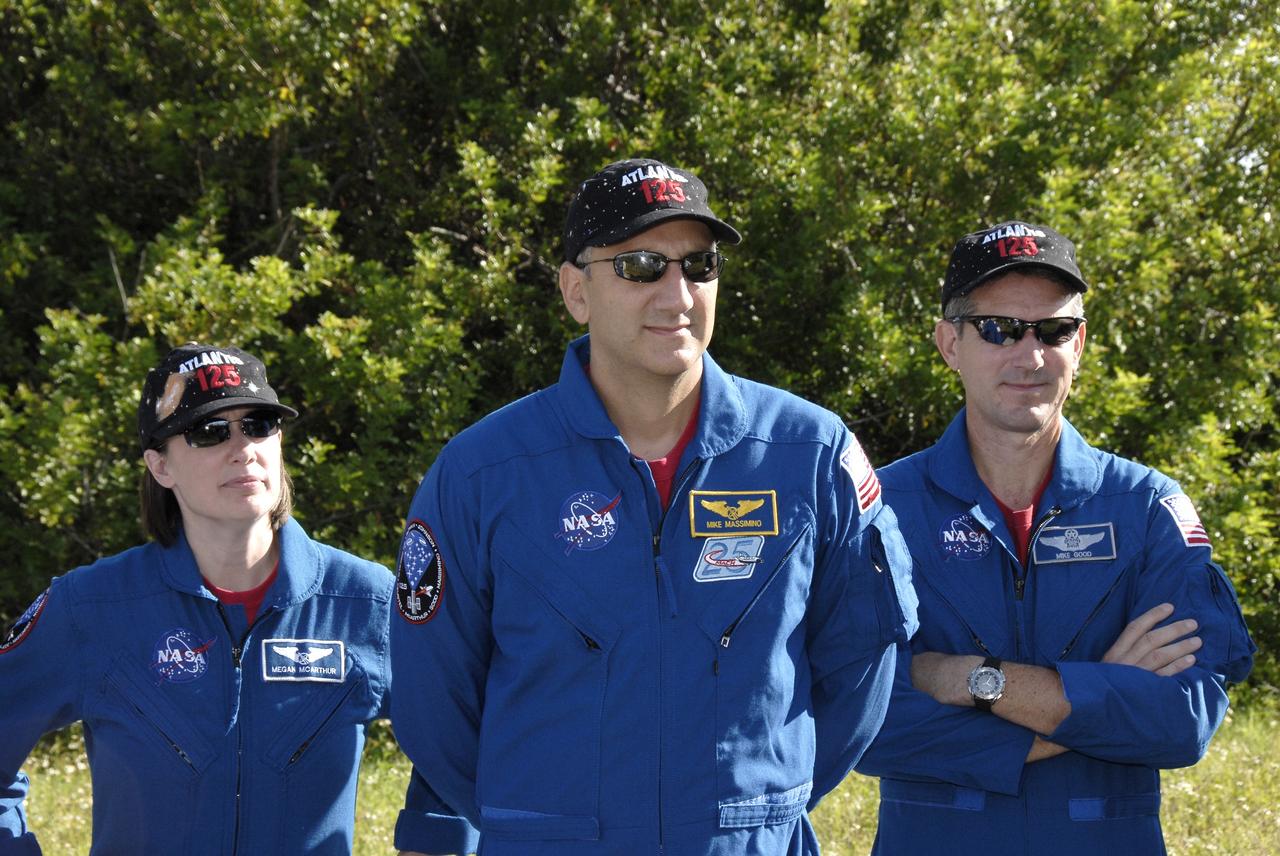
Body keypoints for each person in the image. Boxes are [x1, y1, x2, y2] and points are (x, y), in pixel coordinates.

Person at [389, 157, 918, 855]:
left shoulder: (809, 453)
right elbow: (435, 707)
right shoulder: (484, 472)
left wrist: (753, 810)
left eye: (699, 266)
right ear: (576, 291)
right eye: (641, 266)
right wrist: (544, 824)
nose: (678, 294)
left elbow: (858, 670)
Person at [854, 221, 1256, 854]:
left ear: (1082, 343)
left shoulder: (1148, 508)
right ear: (948, 343)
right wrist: (1093, 698)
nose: (1031, 355)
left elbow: (1185, 719)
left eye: (1054, 330)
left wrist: (975, 680)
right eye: (999, 329)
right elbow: (859, 721)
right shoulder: (881, 509)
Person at [0, 342, 477, 855]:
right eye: (210, 432)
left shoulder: (367, 603)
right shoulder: (89, 608)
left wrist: (433, 843)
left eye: (259, 425)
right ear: (160, 466)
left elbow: (461, 738)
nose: (243, 447)